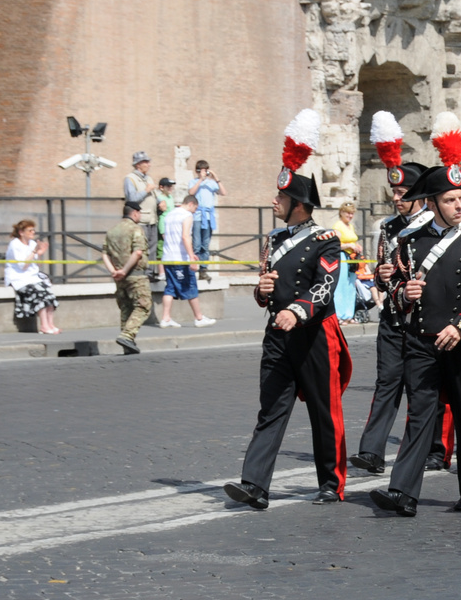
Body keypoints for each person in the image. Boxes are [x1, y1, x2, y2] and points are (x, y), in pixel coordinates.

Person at [226, 109, 353, 508]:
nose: (274, 201)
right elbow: (267, 291)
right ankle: (255, 485)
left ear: (298, 202)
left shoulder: (326, 239)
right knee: (271, 408)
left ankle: (331, 482)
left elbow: (326, 285)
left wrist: (297, 310)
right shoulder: (273, 239)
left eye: (280, 196)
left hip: (315, 334)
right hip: (279, 335)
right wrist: (262, 292)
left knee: (323, 410)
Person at [369, 163, 461, 516]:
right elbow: (393, 289)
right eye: (451, 199)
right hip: (420, 341)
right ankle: (403, 492)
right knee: (419, 415)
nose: (460, 206)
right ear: (433, 203)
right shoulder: (411, 241)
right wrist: (405, 294)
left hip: (460, 342)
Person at [352, 161, 427, 474]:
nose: (397, 197)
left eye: (403, 191)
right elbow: (384, 275)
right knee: (386, 383)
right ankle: (371, 451)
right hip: (393, 319)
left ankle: (429, 448)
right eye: (394, 191)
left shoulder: (432, 225)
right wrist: (381, 278)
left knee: (422, 392)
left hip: (424, 322)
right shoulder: (388, 228)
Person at [159, 193, 217, 328]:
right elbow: (185, 236)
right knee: (190, 286)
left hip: (167, 257)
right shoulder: (186, 216)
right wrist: (191, 256)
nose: (195, 212)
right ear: (191, 204)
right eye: (195, 209)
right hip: (180, 258)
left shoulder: (170, 214)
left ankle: (166, 318)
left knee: (170, 288)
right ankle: (199, 317)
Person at [102, 201, 151, 354]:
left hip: (120, 278)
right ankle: (127, 336)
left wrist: (114, 271)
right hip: (135, 275)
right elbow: (137, 253)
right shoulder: (136, 229)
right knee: (143, 306)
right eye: (140, 213)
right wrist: (124, 270)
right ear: (135, 213)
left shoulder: (112, 231)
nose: (140, 216)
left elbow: (104, 254)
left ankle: (127, 345)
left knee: (126, 309)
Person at [6, 219, 61, 335]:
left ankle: (50, 324)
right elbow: (23, 266)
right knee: (39, 295)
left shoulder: (32, 244)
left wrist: (39, 253)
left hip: (33, 277)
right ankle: (44, 326)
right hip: (19, 278)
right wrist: (34, 252)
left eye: (33, 230)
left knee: (49, 296)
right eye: (30, 230)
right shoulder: (15, 244)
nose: (33, 232)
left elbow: (37, 264)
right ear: (21, 232)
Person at [124, 151, 162, 273]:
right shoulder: (130, 179)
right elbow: (131, 199)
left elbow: (155, 195)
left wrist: (161, 201)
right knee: (141, 247)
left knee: (152, 247)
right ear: (138, 164)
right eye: (146, 162)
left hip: (152, 219)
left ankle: (150, 273)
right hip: (140, 220)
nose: (149, 164)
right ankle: (141, 272)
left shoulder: (149, 178)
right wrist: (146, 190)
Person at [189, 159, 225, 267]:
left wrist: (216, 178)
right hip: (197, 216)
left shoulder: (211, 183)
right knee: (196, 244)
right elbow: (191, 192)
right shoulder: (193, 182)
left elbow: (223, 192)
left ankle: (203, 268)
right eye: (202, 170)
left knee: (205, 244)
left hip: (208, 217)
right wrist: (200, 180)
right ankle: (195, 266)